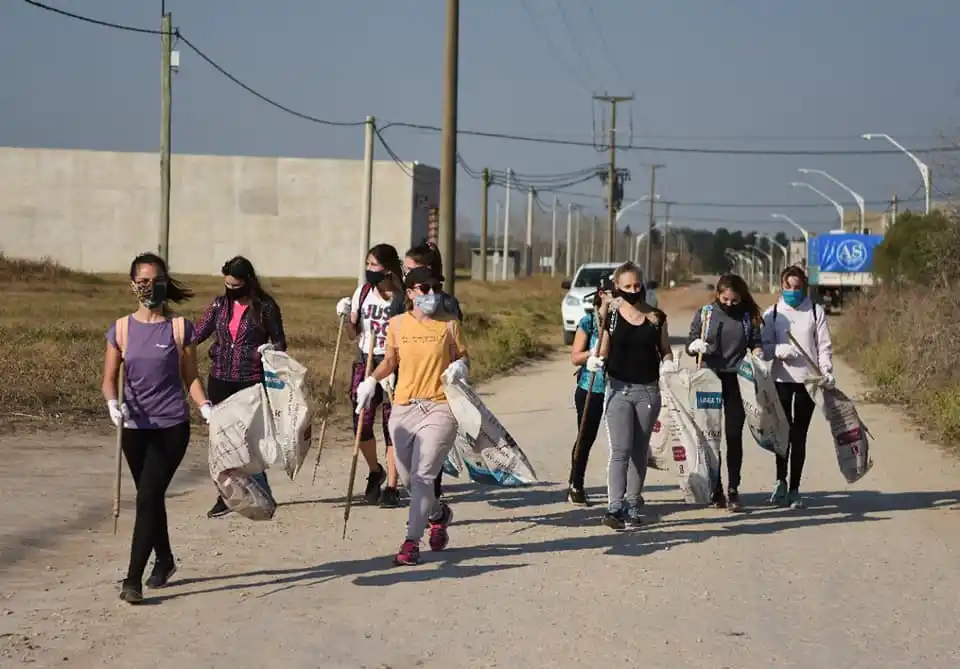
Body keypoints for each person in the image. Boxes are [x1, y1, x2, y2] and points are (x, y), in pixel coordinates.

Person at [101, 253, 213, 604]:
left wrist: (204, 406)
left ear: (166, 282)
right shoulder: (120, 329)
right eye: (144, 281)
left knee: (148, 496)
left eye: (157, 280)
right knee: (151, 498)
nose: (151, 287)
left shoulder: (180, 328)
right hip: (134, 427)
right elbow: (109, 379)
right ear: (133, 285)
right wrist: (111, 404)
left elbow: (190, 376)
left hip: (171, 427)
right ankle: (164, 559)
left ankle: (132, 579)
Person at [357, 266, 467, 565]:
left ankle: (411, 542)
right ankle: (437, 514)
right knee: (408, 478)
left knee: (422, 475)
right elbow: (390, 361)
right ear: (409, 293)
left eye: (435, 288)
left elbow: (462, 357)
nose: (432, 294)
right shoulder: (397, 325)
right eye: (424, 289)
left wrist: (460, 368)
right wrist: (370, 381)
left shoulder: (449, 324)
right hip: (404, 407)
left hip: (440, 406)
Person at [197, 256, 287, 519]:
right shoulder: (219, 305)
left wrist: (270, 350)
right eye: (227, 284)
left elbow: (280, 341)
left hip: (250, 380)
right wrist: (176, 335)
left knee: (248, 439)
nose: (230, 290)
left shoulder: (265, 307)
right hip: (220, 378)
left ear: (247, 282)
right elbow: (199, 333)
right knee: (223, 440)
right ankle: (227, 495)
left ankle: (260, 487)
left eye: (235, 285)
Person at [593, 262, 675, 530]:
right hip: (619, 389)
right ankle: (614, 506)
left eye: (637, 285)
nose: (633, 290)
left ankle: (632, 504)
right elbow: (603, 348)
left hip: (648, 391)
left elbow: (665, 349)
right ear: (617, 286)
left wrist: (670, 364)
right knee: (620, 450)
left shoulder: (656, 317)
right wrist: (595, 361)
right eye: (627, 286)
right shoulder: (613, 316)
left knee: (639, 450)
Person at [685, 274, 763, 512]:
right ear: (717, 294)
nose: (729, 304)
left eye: (734, 300)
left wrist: (758, 354)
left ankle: (733, 488)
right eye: (725, 299)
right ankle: (715, 488)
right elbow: (691, 342)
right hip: (709, 378)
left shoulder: (748, 317)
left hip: (736, 379)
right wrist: (694, 346)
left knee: (734, 434)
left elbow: (756, 342)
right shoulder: (706, 314)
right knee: (711, 435)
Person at [335, 244, 405, 507]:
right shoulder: (362, 293)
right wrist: (346, 317)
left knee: (392, 426)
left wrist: (395, 363)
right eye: (367, 264)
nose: (368, 270)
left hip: (393, 363)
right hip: (364, 361)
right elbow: (354, 335)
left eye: (373, 265)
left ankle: (392, 486)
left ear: (387, 269)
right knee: (361, 424)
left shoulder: (400, 297)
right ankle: (376, 471)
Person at [762, 266, 834, 509]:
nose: (792, 292)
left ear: (804, 286)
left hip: (808, 382)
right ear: (781, 286)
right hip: (780, 381)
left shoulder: (815, 311)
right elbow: (761, 347)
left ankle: (795, 488)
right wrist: (777, 351)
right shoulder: (772, 314)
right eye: (788, 287)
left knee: (799, 435)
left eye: (797, 287)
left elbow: (823, 345)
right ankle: (780, 482)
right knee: (782, 435)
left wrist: (827, 370)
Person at [398, 241, 463, 508]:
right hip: (407, 389)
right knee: (410, 453)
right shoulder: (403, 300)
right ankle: (429, 505)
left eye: (410, 268)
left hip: (437, 394)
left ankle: (430, 508)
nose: (405, 273)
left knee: (430, 455)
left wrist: (458, 368)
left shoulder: (446, 304)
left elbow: (456, 345)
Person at [567, 288, 610, 506]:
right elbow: (574, 357)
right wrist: (589, 355)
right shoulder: (589, 322)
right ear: (601, 296)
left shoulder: (624, 322)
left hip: (618, 389)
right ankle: (576, 483)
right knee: (586, 437)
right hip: (590, 387)